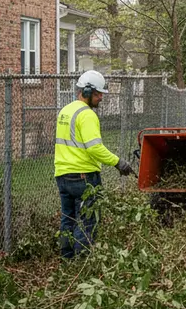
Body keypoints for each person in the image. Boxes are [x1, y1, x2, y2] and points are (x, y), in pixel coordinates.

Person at [54, 71, 133, 258]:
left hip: (63, 175)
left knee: (68, 219)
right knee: (87, 220)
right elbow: (95, 148)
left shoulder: (65, 111)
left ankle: (67, 259)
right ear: (87, 92)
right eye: (98, 94)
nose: (101, 98)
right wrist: (118, 163)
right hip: (84, 177)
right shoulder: (87, 115)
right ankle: (82, 262)